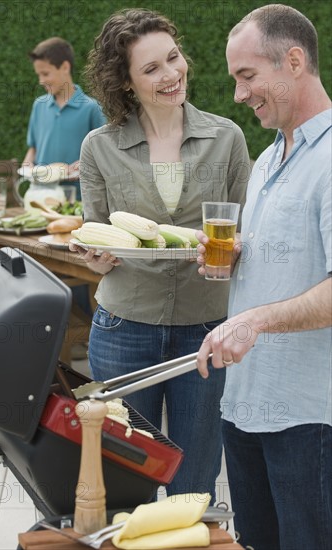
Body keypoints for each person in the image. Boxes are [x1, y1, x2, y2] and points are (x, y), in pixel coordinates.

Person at [70, 8, 250, 498]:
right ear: (126, 82)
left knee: (194, 482)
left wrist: (233, 250)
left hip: (206, 330)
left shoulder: (227, 138)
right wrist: (94, 257)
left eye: (173, 57)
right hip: (124, 327)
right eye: (151, 69)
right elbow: (96, 233)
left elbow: (245, 231)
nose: (171, 74)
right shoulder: (98, 148)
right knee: (125, 477)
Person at [196, 4, 331, 549]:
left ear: (293, 60)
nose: (238, 94)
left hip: (309, 417)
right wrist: (229, 260)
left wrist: (256, 319)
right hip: (246, 404)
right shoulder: (269, 158)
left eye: (247, 76)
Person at [22, 36, 107, 200]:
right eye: (38, 75)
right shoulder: (39, 106)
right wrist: (27, 166)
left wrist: (83, 165)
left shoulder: (92, 108)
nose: (41, 80)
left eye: (45, 73)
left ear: (65, 67)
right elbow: (33, 148)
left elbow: (103, 153)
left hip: (78, 198)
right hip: (42, 195)